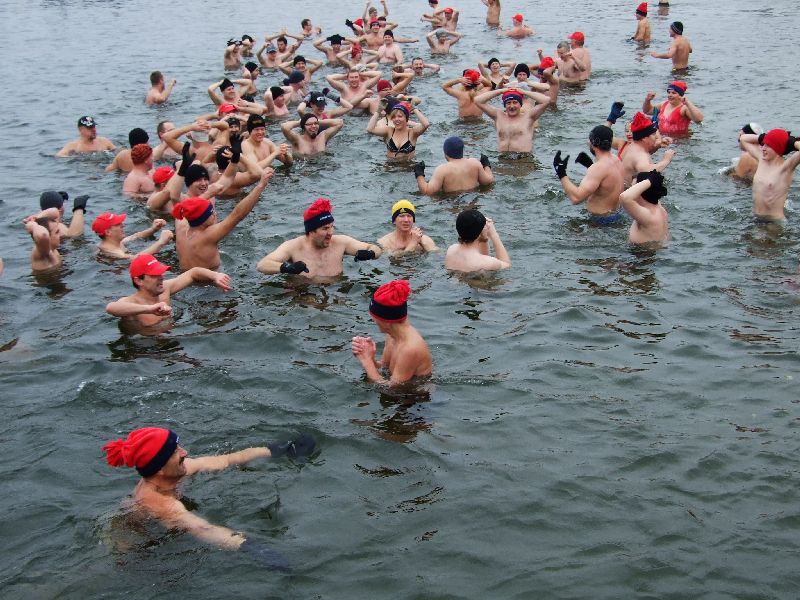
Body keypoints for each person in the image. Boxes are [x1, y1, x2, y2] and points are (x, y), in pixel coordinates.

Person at [102, 427, 314, 569]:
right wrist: (250, 547)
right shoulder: (159, 501)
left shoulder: (178, 470)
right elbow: (203, 529)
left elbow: (227, 460)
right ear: (159, 469)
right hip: (133, 551)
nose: (184, 452)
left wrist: (277, 450)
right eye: (175, 451)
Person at [171, 168, 273, 271]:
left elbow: (188, 208)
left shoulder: (181, 226)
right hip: (210, 279)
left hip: (185, 277)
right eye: (211, 213)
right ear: (202, 219)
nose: (215, 214)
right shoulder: (208, 235)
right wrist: (260, 186)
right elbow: (237, 215)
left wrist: (208, 194)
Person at [257, 198, 382, 278]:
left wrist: (370, 253)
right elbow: (262, 265)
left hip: (335, 288)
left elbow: (376, 248)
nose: (330, 233)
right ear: (311, 231)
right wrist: (288, 268)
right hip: (303, 292)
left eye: (332, 227)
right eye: (325, 228)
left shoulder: (341, 242)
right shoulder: (293, 247)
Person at [106, 254, 232, 325]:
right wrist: (149, 309)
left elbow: (192, 273)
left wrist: (215, 275)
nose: (161, 277)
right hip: (147, 351)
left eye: (160, 273)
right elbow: (111, 308)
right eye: (154, 275)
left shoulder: (165, 289)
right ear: (139, 281)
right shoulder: (133, 303)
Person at [352, 280, 433, 385]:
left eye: (375, 317)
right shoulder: (391, 335)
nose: (373, 320)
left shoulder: (410, 349)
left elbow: (391, 388)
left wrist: (366, 361)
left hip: (417, 394)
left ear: (386, 322)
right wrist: (370, 357)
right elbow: (384, 367)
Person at [553, 125, 626, 222]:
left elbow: (576, 198)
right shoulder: (616, 160)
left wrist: (561, 172)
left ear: (593, 142)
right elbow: (605, 184)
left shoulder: (598, 168)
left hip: (599, 222)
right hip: (616, 216)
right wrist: (590, 165)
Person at [739, 129, 800, 221]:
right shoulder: (762, 160)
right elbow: (743, 139)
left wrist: (792, 143)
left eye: (768, 145)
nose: (763, 148)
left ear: (778, 148)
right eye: (763, 144)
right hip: (754, 217)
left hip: (774, 222)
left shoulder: (786, 168)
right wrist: (764, 137)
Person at [473, 87, 551, 153]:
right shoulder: (498, 116)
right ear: (504, 105)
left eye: (515, 102)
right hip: (502, 159)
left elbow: (546, 100)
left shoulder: (528, 117)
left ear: (520, 104)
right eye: (508, 103)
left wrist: (524, 92)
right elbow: (477, 100)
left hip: (523, 159)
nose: (512, 106)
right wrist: (500, 91)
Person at [414, 136, 494, 194]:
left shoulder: (442, 170)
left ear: (445, 153)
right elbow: (488, 181)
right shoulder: (474, 163)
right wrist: (486, 165)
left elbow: (428, 191)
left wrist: (419, 174)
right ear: (462, 150)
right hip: (472, 199)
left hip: (452, 203)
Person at [444, 209, 511, 272]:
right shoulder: (489, 263)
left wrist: (484, 239)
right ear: (480, 232)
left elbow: (483, 257)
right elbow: (507, 265)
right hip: (478, 279)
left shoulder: (451, 250)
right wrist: (493, 234)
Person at [618, 111, 675, 184]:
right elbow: (647, 170)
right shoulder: (640, 155)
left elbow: (646, 152)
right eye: (653, 134)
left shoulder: (633, 146)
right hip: (629, 189)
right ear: (644, 138)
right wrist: (666, 160)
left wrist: (659, 144)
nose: (656, 137)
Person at [619, 170, 670, 244]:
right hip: (654, 248)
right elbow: (653, 187)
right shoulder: (658, 207)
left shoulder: (649, 216)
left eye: (633, 188)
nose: (630, 190)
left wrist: (650, 180)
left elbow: (624, 198)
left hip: (641, 250)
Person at [92, 213, 173, 259]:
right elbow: (135, 258)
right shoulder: (113, 252)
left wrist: (153, 229)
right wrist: (161, 242)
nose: (122, 225)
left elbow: (136, 236)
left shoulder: (116, 243)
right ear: (108, 232)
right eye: (118, 224)